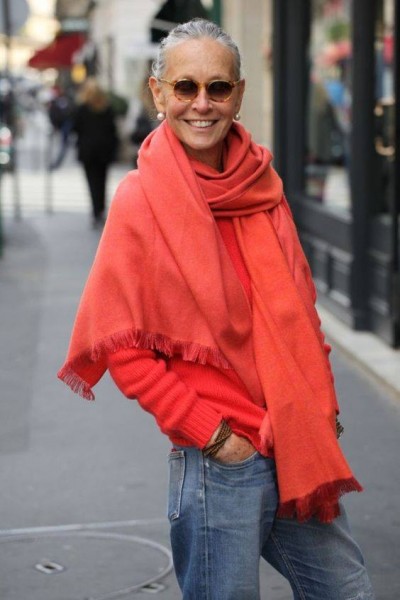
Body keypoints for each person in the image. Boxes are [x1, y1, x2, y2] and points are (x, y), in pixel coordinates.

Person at [58, 19, 375, 600]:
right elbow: (122, 346)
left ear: (239, 94)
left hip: (296, 436)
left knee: (347, 590)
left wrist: (321, 403)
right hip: (220, 461)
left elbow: (302, 311)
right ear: (159, 94)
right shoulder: (139, 200)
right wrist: (214, 434)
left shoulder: (264, 185)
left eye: (218, 87)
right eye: (185, 87)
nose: (201, 104)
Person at [73, 78, 118, 228]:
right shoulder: (107, 108)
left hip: (88, 151)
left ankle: (96, 211)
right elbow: (113, 130)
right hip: (104, 150)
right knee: (102, 181)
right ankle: (101, 209)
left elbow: (75, 128)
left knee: (92, 182)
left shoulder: (82, 109)